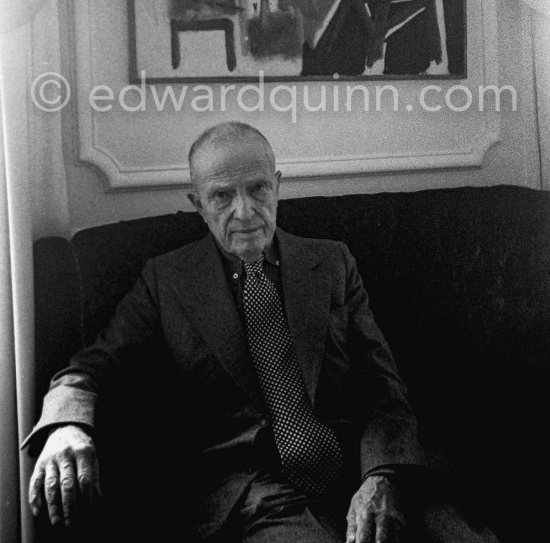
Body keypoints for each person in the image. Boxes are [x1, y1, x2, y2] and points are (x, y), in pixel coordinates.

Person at [25, 122, 498, 542]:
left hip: (365, 465)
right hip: (261, 491)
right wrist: (67, 425)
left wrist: (383, 474)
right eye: (222, 196)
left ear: (277, 186)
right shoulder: (165, 281)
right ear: (198, 204)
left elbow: (382, 384)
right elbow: (93, 366)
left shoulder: (332, 261)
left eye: (257, 189)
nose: (246, 211)